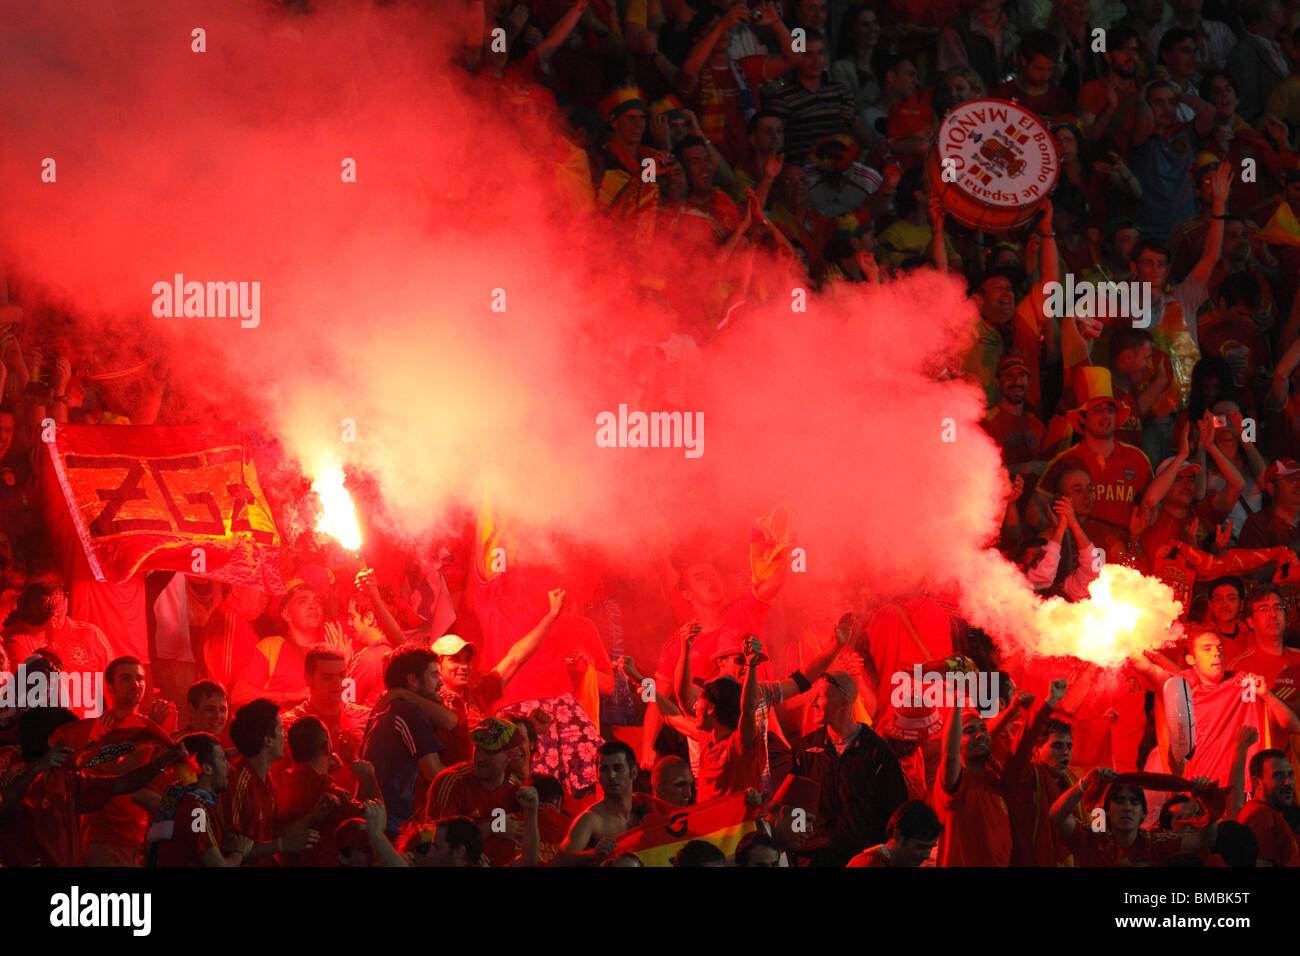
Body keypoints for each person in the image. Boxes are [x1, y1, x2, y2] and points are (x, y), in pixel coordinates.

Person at [0, 707, 183, 866]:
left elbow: (123, 783)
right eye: (76, 738)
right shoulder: (16, 779)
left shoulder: (70, 782)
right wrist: (36, 770)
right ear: (56, 742)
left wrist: (162, 762)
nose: (80, 748)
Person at [432, 587, 566, 768]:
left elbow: (516, 658)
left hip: (483, 782)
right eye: (455, 660)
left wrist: (552, 616)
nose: (464, 666)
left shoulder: (476, 694)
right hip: (453, 786)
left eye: (467, 660)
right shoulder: (430, 702)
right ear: (437, 665)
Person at [791, 671, 908, 866]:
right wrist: (799, 846)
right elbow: (792, 806)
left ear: (844, 702)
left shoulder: (877, 752)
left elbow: (894, 810)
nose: (813, 703)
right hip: (813, 859)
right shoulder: (804, 750)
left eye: (819, 696)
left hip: (861, 860)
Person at [360, 645, 449, 837]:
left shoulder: (383, 709)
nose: (441, 683)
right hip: (393, 827)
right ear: (413, 680)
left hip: (378, 822)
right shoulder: (408, 711)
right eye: (434, 675)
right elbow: (435, 773)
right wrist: (471, 777)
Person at [221, 698, 319, 866]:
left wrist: (314, 815)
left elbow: (274, 834)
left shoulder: (267, 780)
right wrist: (281, 846)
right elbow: (230, 847)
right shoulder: (237, 782)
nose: (285, 736)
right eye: (281, 730)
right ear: (267, 740)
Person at [1051, 769, 1220, 865]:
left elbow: (1206, 840)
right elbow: (1056, 816)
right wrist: (1084, 784)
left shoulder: (1155, 843)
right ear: (1108, 810)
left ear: (1143, 813)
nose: (1127, 808)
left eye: (1134, 802)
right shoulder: (1092, 841)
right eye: (1119, 801)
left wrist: (1206, 800)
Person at [553, 740, 675, 865]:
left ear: (634, 772)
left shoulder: (649, 807)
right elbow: (560, 861)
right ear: (597, 774)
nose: (611, 775)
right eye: (604, 769)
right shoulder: (590, 819)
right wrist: (593, 855)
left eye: (618, 768)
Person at [425, 717, 524, 867]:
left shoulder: (518, 790)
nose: (479, 757)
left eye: (489, 752)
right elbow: (439, 843)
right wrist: (492, 828)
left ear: (509, 757)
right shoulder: (451, 782)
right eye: (477, 748)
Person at [149, 732, 254, 867]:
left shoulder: (188, 801)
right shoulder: (195, 810)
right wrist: (240, 851)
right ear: (207, 768)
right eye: (223, 759)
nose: (228, 766)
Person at [934, 694, 1013, 866]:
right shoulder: (955, 779)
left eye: (983, 729)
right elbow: (950, 753)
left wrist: (1014, 709)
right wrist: (957, 705)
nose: (980, 735)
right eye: (969, 731)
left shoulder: (994, 778)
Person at [281, 644, 371, 784]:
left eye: (342, 676)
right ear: (308, 679)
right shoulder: (289, 725)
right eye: (328, 677)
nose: (337, 683)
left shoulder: (366, 718)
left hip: (359, 805)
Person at [1238, 746, 1299, 865]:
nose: (1288, 782)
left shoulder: (1269, 812)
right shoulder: (1261, 817)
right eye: (1279, 776)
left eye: (1290, 775)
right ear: (1257, 782)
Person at [846, 800, 942, 867]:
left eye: (930, 847)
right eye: (920, 847)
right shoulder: (867, 863)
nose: (926, 855)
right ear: (898, 836)